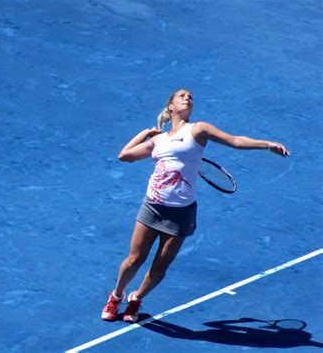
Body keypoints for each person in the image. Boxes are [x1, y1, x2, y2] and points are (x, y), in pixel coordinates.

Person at [101, 89, 290, 323]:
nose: (187, 98)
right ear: (170, 106)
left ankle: (136, 298)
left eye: (190, 96)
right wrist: (145, 133)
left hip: (181, 212)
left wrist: (267, 144)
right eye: (181, 96)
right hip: (153, 206)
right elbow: (124, 156)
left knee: (160, 268)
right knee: (134, 259)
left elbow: (235, 141)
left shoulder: (198, 129)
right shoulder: (158, 140)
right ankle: (116, 295)